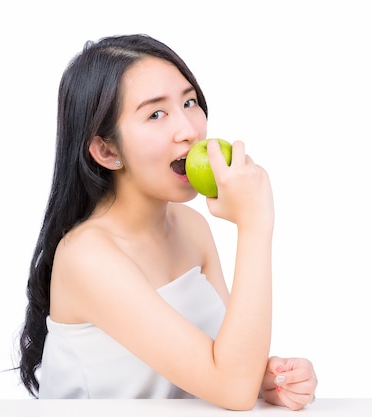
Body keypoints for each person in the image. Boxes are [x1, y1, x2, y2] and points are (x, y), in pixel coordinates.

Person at [17, 33, 317, 411]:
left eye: (190, 102)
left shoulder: (192, 227)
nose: (189, 129)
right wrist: (256, 226)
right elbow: (232, 389)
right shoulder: (87, 257)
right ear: (107, 151)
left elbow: (232, 369)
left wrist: (271, 379)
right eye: (156, 113)